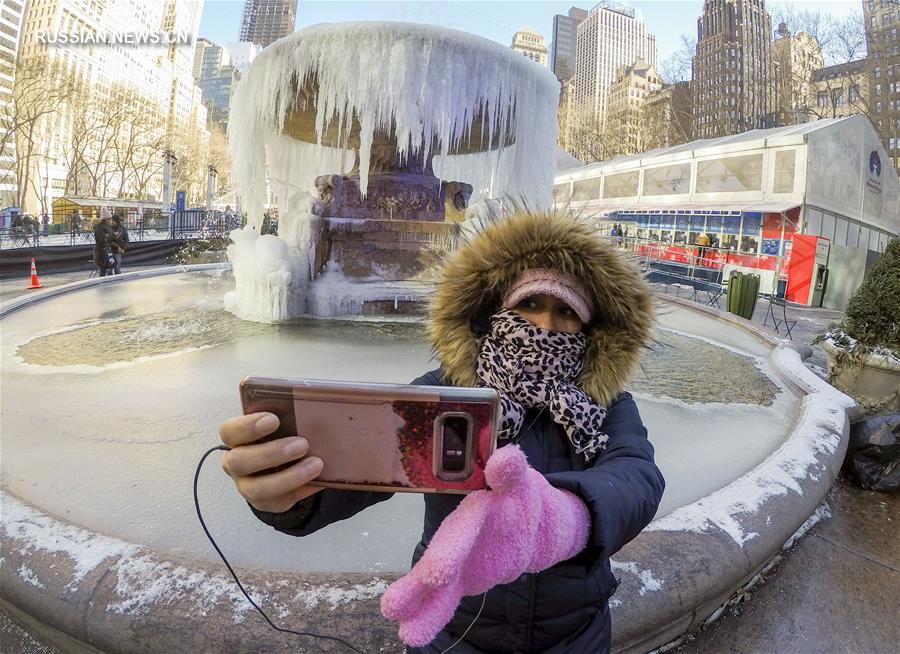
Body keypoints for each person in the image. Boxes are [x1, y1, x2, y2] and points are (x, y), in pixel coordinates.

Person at [219, 211, 664, 654]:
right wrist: (290, 494)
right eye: (529, 304)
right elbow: (371, 458)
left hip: (574, 637)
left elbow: (637, 477)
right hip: (453, 632)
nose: (545, 325)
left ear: (588, 330)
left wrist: (563, 520)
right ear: (497, 310)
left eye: (565, 311)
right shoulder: (446, 392)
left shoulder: (603, 404)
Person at [93, 208, 115, 276]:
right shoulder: (99, 228)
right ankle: (103, 282)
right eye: (109, 219)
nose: (110, 220)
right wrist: (109, 237)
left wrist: (113, 236)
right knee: (103, 269)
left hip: (107, 250)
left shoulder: (108, 227)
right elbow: (102, 240)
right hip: (102, 252)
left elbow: (109, 238)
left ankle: (108, 281)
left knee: (109, 267)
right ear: (105, 219)